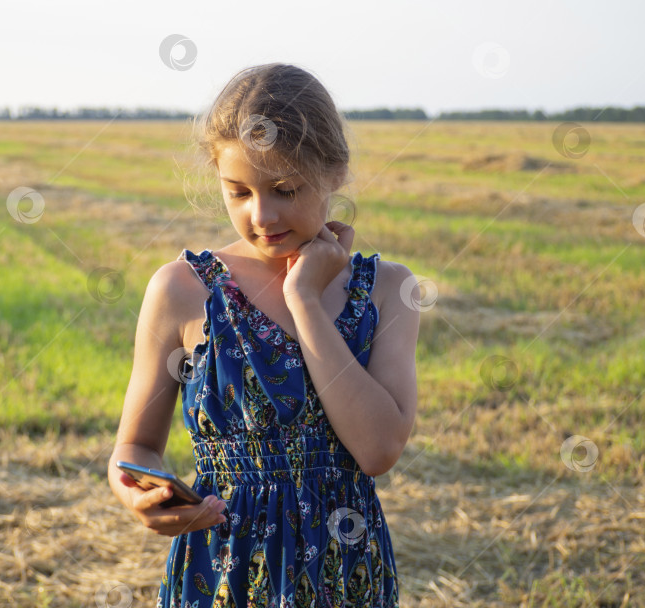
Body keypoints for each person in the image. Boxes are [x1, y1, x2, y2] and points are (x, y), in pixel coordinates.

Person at [108, 62, 419, 608]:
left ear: (336, 171)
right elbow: (133, 448)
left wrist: (305, 300)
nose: (262, 214)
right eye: (239, 192)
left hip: (344, 572)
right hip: (220, 571)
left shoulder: (387, 290)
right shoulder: (182, 289)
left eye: (285, 189)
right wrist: (142, 497)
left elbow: (377, 448)